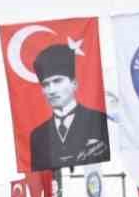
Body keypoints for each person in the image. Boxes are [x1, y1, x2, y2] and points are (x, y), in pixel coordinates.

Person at [27, 43, 110, 171]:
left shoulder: (98, 120)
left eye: (57, 81)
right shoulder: (38, 135)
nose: (51, 90)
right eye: (45, 85)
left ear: (74, 84)